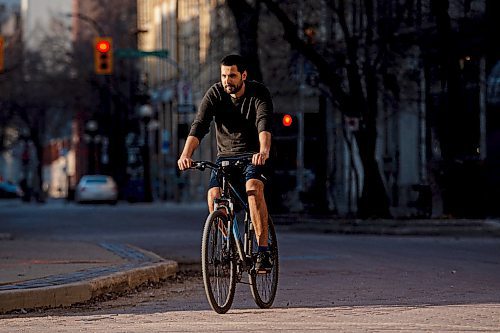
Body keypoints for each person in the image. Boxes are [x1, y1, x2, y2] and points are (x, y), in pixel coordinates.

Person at [178, 54, 273, 272]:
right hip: (225, 158)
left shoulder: (258, 93)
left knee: (253, 188)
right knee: (213, 197)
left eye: (232, 76)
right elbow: (199, 125)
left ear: (243, 75)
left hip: (253, 155)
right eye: (223, 75)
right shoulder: (215, 93)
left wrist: (264, 151)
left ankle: (263, 250)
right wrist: (186, 155)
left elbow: (263, 124)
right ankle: (231, 242)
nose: (226, 80)